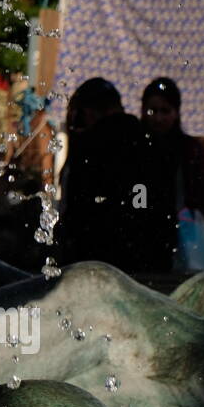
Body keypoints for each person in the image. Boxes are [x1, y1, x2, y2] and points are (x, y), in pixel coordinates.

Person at [58, 78, 164, 274]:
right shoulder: (149, 142)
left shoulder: (88, 148)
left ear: (87, 112)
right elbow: (150, 206)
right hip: (144, 264)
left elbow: (77, 211)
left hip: (92, 265)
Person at [139, 77, 204, 272]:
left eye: (165, 111)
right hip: (141, 240)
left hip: (178, 241)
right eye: (152, 111)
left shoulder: (190, 151)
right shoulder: (134, 146)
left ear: (176, 113)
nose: (158, 118)